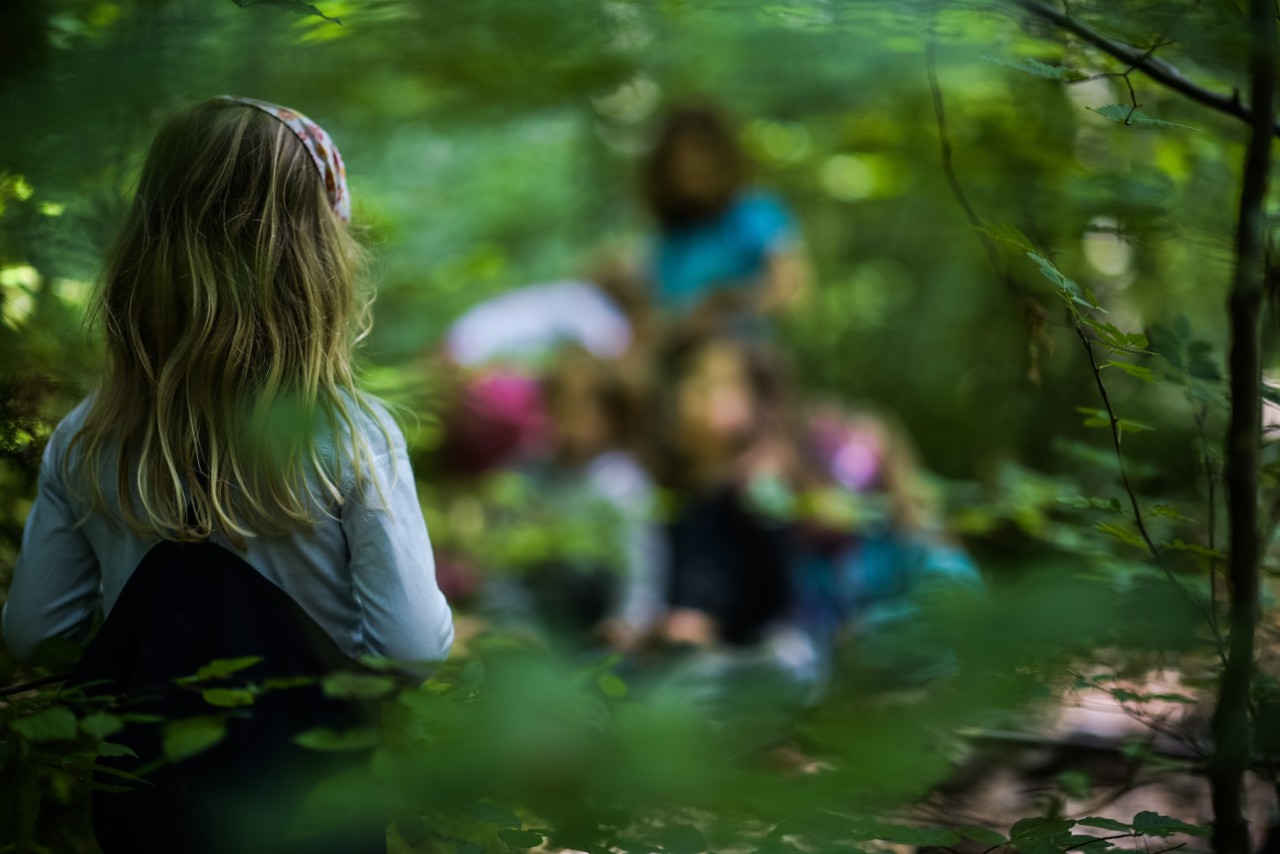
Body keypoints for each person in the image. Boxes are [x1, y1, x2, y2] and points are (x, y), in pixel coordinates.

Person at [2, 96, 454, 674]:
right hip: (312, 759)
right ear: (316, 269)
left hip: (141, 761)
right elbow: (412, 650)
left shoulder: (88, 436)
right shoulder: (352, 436)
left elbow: (35, 636)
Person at [641, 102, 809, 337]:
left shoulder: (756, 213)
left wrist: (730, 304)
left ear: (721, 154)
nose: (689, 164)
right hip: (686, 362)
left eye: (700, 150)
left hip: (750, 361)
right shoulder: (668, 240)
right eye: (677, 155)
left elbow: (792, 290)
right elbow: (656, 317)